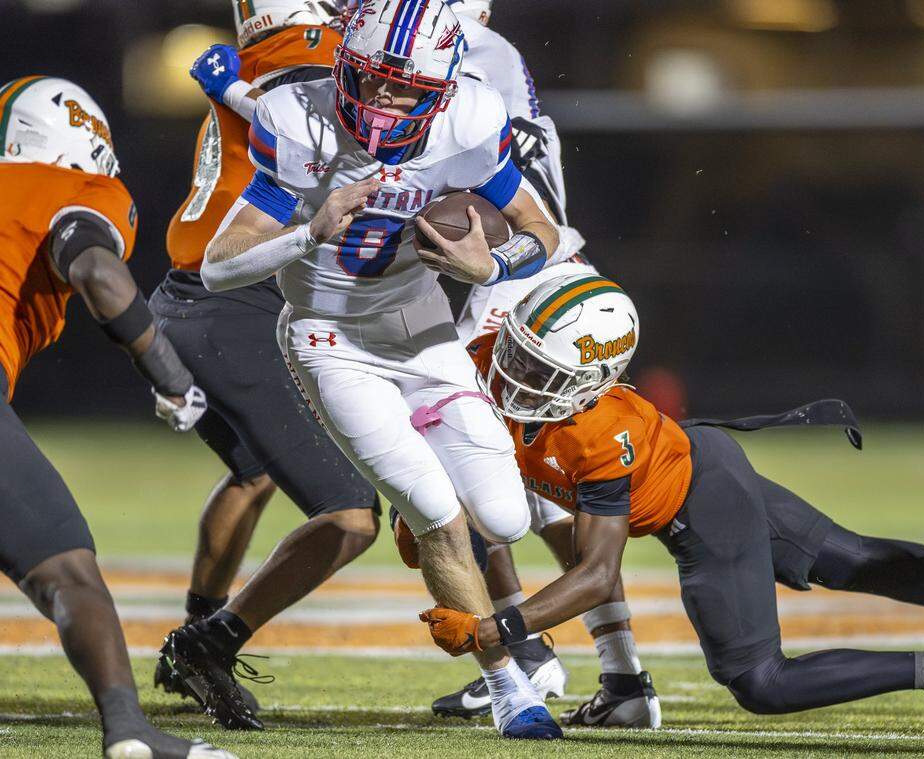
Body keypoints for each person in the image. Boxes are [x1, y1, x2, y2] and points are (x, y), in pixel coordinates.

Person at [420, 272, 924, 736]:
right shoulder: (490, 356)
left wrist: (496, 630)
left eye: (540, 370)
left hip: (702, 504)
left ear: (594, 380)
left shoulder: (601, 432)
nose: (512, 372)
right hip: (704, 463)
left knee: (760, 680)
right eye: (515, 350)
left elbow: (597, 571)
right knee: (853, 558)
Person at [164, 0, 564, 740]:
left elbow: (549, 229)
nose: (381, 101)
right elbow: (219, 266)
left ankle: (492, 633)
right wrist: (303, 234)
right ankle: (510, 687)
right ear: (345, 66)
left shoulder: (471, 119)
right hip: (328, 337)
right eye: (370, 81)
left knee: (503, 515)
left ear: (443, 90)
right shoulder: (301, 118)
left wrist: (492, 263)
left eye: (402, 88)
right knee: (434, 514)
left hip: (421, 327)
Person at [426, 0, 659, 727]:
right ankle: (621, 677)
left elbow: (443, 179)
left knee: (469, 476)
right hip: (542, 272)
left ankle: (529, 654)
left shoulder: (460, 55)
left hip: (510, 283)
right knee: (541, 495)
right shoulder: (495, 59)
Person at [151, 2, 384, 726]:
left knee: (253, 474)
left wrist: (231, 89)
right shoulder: (306, 55)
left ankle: (193, 631)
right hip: (235, 303)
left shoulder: (255, 63)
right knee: (351, 515)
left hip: (188, 300)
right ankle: (208, 643)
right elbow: (318, 123)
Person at [0, 75, 232, 759]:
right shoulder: (78, 190)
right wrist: (169, 374)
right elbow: (100, 275)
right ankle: (127, 729)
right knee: (68, 571)